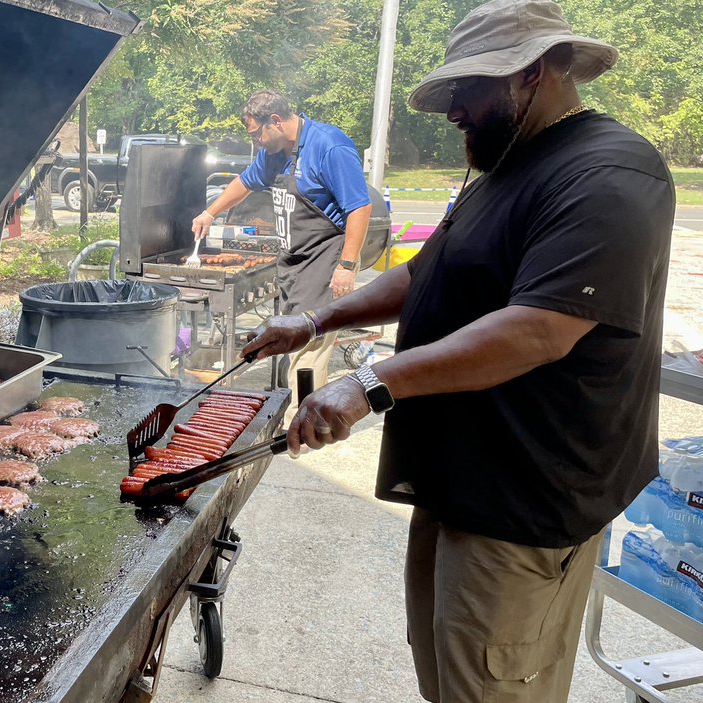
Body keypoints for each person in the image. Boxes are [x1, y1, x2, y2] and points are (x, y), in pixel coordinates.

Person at [241, 2, 674, 702]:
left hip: (526, 501)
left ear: (531, 73)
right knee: (447, 678)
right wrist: (316, 321)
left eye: (466, 91)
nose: (451, 112)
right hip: (456, 482)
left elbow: (538, 329)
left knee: (493, 687)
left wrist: (366, 384)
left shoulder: (610, 173)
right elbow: (424, 273)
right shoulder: (503, 166)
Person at [192, 91, 372, 405]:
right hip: (293, 261)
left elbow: (359, 207)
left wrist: (346, 266)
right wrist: (210, 212)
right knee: (294, 342)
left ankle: (303, 427)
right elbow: (245, 182)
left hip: (325, 259)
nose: (255, 142)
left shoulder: (329, 146)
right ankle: (301, 415)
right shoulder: (275, 152)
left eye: (256, 134)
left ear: (275, 121)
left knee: (308, 350)